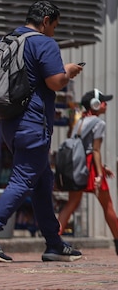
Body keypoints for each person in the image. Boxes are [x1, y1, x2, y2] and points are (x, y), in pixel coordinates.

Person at [0, 0, 84, 263]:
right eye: (54, 26)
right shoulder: (44, 43)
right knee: (22, 180)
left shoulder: (6, 41)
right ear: (45, 21)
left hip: (10, 124)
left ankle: (53, 244)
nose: (54, 32)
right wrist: (68, 71)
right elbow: (54, 81)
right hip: (33, 125)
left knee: (43, 181)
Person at [57, 90, 118, 253]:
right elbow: (95, 150)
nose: (106, 104)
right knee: (108, 205)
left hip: (78, 165)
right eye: (103, 101)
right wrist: (99, 174)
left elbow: (84, 147)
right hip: (90, 166)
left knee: (71, 203)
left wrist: (102, 167)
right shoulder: (99, 123)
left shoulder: (80, 121)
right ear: (95, 105)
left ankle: (54, 240)